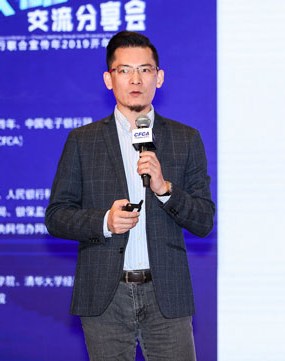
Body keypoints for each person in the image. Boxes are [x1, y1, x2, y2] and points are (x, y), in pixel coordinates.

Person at [45, 31, 215, 361]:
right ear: (109, 79)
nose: (135, 79)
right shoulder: (83, 140)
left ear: (159, 77)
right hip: (105, 297)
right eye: (124, 70)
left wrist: (165, 190)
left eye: (145, 69)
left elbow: (204, 220)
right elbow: (56, 217)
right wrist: (105, 221)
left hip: (166, 294)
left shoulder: (186, 139)